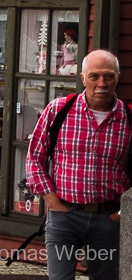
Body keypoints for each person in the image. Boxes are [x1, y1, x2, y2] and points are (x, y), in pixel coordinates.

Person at [26, 49, 128, 280]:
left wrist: (122, 214)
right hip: (65, 217)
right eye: (94, 76)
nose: (101, 83)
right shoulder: (58, 110)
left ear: (118, 77)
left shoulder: (128, 119)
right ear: (83, 78)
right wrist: (52, 202)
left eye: (108, 76)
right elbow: (34, 159)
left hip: (109, 219)